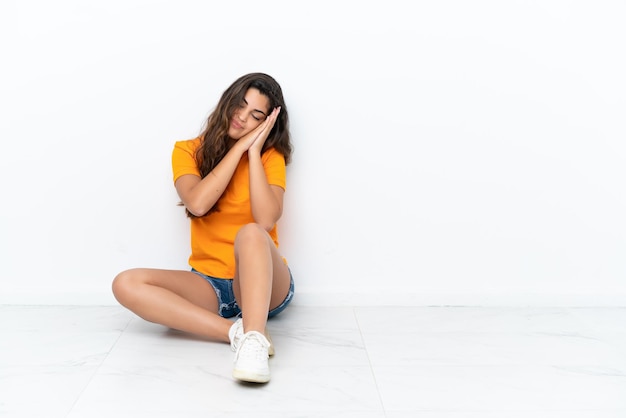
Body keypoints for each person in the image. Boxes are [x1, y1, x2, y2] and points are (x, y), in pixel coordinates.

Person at [112, 72, 294, 384]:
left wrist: (252, 152)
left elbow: (266, 221)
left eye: (256, 115)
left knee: (251, 231)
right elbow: (197, 203)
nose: (242, 117)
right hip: (210, 287)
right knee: (125, 283)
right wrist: (236, 150)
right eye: (241, 104)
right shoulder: (187, 151)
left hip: (264, 283)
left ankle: (253, 335)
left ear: (266, 124)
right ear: (228, 101)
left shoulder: (268, 156)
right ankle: (242, 334)